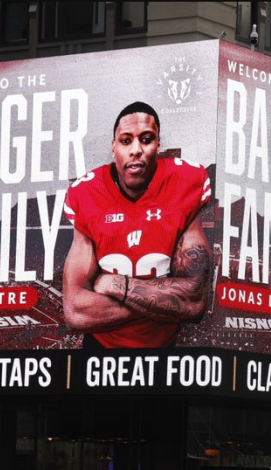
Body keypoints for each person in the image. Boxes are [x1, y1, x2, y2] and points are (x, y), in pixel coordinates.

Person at [62, 100, 213, 349]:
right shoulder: (86, 194)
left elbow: (194, 303)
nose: (136, 150)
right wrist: (168, 303)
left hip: (164, 348)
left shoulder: (186, 182)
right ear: (113, 147)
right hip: (101, 350)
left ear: (158, 145)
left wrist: (118, 285)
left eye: (146, 139)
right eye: (125, 140)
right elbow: (77, 312)